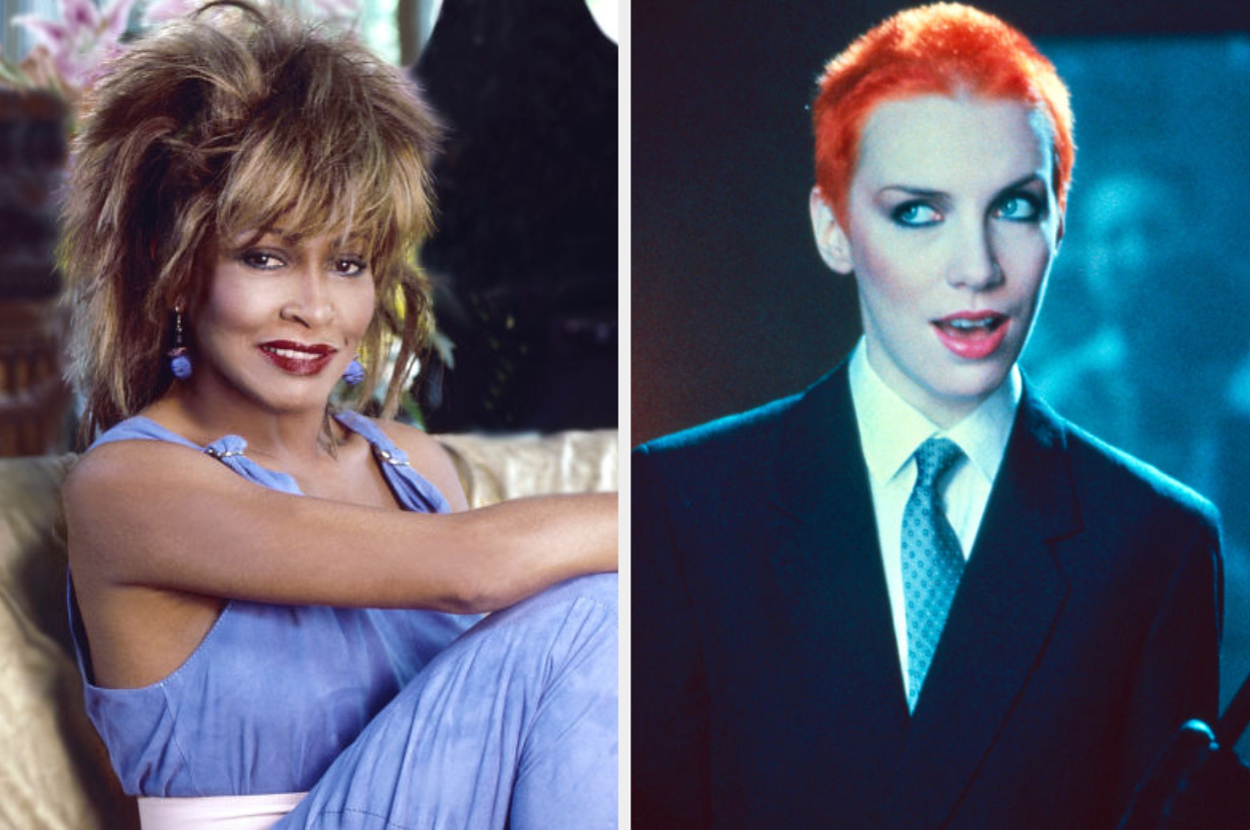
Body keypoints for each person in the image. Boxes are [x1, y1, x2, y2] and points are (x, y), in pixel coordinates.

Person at [631, 4, 1221, 828]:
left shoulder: (1156, 543)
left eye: (1013, 208)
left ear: (1059, 223)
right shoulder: (683, 504)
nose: (976, 269)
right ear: (833, 229)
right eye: (919, 212)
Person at [58, 3, 617, 828]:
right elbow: (475, 569)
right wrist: (681, 506)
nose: (315, 309)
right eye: (266, 257)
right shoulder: (128, 485)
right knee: (597, 609)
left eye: (348, 263)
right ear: (177, 270)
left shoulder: (412, 465)